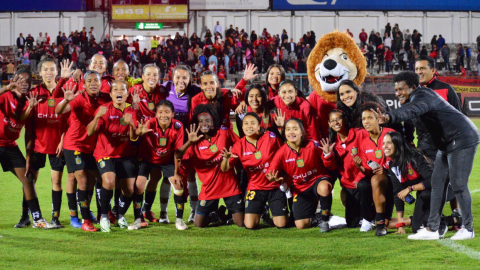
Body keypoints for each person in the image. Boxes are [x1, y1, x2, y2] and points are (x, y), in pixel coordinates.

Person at [374, 71, 479, 240]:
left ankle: (468, 228)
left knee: (458, 183)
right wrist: (424, 152)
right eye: (396, 89)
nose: (397, 93)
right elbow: (423, 133)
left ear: (413, 87)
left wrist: (389, 116)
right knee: (437, 184)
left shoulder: (422, 96)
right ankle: (433, 229)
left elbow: (409, 110)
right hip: (446, 142)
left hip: (462, 138)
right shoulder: (417, 99)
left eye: (401, 89)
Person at [23, 58, 74, 229]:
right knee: (30, 180)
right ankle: (25, 216)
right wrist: (28, 153)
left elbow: (68, 121)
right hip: (39, 145)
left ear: (57, 72)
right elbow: (29, 126)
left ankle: (56, 217)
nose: (49, 72)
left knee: (56, 180)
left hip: (57, 145)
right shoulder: (34, 93)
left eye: (52, 69)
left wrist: (62, 140)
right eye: (46, 69)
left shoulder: (64, 91)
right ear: (40, 72)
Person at [55, 70, 109, 232]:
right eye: (90, 81)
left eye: (96, 80)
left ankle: (98, 213)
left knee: (100, 180)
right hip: (74, 146)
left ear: (101, 84)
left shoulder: (103, 99)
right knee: (82, 180)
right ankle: (84, 220)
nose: (93, 83)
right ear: (84, 84)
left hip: (91, 147)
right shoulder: (79, 98)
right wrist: (66, 99)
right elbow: (58, 111)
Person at [1, 69, 55, 229]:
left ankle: (35, 219)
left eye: (28, 81)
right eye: (21, 80)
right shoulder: (5, 95)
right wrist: (6, 88)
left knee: (28, 179)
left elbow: (24, 127)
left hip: (10, 146)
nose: (24, 83)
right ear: (14, 80)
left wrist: (28, 160)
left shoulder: (29, 101)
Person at [176, 104, 244, 228]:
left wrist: (233, 155)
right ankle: (217, 214)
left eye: (207, 120)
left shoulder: (224, 133)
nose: (204, 123)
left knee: (241, 223)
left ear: (213, 122)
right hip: (209, 189)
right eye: (200, 121)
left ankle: (227, 215)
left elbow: (241, 145)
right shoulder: (193, 145)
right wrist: (189, 142)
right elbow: (177, 155)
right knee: (198, 224)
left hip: (230, 186)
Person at [86, 80, 138, 233]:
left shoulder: (132, 111)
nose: (119, 92)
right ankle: (103, 216)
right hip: (105, 153)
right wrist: (96, 118)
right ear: (111, 94)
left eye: (123, 89)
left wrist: (132, 125)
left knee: (129, 190)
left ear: (127, 94)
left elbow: (134, 137)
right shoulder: (104, 109)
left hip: (125, 154)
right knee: (108, 182)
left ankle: (119, 215)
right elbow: (89, 132)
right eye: (115, 89)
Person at [221, 113, 288, 229]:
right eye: (246, 124)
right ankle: (263, 210)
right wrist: (226, 159)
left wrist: (283, 177)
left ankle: (270, 210)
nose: (249, 126)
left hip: (274, 185)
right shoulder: (239, 145)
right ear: (241, 128)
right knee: (250, 225)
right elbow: (224, 168)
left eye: (253, 123)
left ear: (259, 126)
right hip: (255, 187)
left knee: (281, 224)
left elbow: (284, 154)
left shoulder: (270, 137)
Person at [266, 118, 333, 231]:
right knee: (301, 225)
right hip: (300, 188)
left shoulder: (313, 145)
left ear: (302, 132)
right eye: (288, 129)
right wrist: (273, 178)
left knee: (325, 188)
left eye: (295, 129)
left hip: (316, 180)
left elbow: (330, 166)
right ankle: (315, 217)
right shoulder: (281, 152)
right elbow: (270, 172)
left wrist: (327, 155)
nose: (291, 132)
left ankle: (325, 219)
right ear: (284, 132)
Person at [132, 100, 188, 230]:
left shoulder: (178, 126)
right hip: (148, 159)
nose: (164, 115)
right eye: (160, 112)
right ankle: (137, 219)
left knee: (178, 186)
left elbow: (177, 152)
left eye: (167, 112)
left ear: (173, 114)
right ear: (155, 114)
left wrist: (176, 173)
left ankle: (179, 220)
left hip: (167, 161)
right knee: (139, 186)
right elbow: (137, 140)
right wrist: (139, 135)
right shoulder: (150, 123)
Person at [321, 110, 375, 230]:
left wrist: (360, 176)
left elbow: (370, 153)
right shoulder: (333, 141)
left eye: (338, 119)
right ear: (329, 124)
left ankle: (372, 216)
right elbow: (333, 167)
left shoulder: (360, 134)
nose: (336, 122)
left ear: (344, 119)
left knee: (363, 187)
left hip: (365, 178)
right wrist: (327, 154)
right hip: (348, 184)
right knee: (352, 223)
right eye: (333, 120)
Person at [162, 65, 202, 223]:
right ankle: (163, 213)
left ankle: (194, 210)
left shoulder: (195, 91)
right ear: (172, 78)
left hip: (188, 140)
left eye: (184, 78)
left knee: (191, 176)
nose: (181, 80)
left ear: (190, 79)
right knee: (168, 177)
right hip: (170, 141)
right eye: (178, 77)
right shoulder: (165, 88)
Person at [352, 102, 395, 236]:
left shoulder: (391, 134)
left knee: (376, 179)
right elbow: (367, 170)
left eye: (370, 118)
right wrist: (359, 167)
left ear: (378, 119)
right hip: (375, 178)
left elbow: (400, 158)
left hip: (392, 176)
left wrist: (387, 170)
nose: (366, 122)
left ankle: (380, 221)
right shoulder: (364, 142)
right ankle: (368, 218)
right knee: (363, 184)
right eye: (364, 119)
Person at [383, 131, 433, 234]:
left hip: (439, 190)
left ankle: (450, 220)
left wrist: (410, 188)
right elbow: (398, 193)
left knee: (425, 195)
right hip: (423, 193)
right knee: (417, 228)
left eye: (389, 143)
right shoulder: (392, 166)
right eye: (383, 143)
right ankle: (451, 220)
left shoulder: (413, 157)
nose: (385, 146)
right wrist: (400, 225)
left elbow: (433, 180)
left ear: (397, 144)